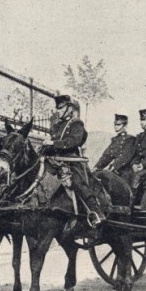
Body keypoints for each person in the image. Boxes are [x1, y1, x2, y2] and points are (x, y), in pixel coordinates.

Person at [42, 94, 104, 230]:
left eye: (61, 108)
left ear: (69, 109)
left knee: (77, 182)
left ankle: (96, 212)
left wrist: (53, 143)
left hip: (71, 161)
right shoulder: (57, 125)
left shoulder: (76, 123)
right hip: (56, 161)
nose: (58, 111)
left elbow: (72, 142)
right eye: (57, 108)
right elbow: (54, 145)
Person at [94, 114, 136, 183]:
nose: (116, 127)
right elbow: (107, 155)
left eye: (118, 125)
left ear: (125, 126)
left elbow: (125, 156)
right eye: (115, 125)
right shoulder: (115, 140)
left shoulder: (130, 139)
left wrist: (114, 166)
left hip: (126, 171)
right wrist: (97, 167)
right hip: (115, 170)